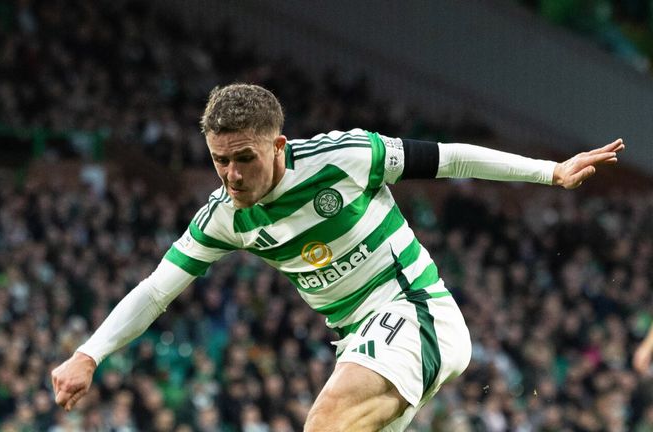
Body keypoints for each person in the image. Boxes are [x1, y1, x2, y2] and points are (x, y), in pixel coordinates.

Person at [51, 83, 623, 431]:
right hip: (357, 339)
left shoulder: (346, 156)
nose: (231, 173)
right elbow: (156, 290)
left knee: (324, 424)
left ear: (277, 145)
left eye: (243, 158)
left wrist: (548, 171)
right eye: (219, 160)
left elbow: (448, 159)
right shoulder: (224, 215)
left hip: (417, 310)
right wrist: (89, 353)